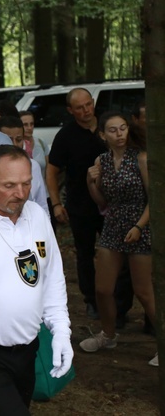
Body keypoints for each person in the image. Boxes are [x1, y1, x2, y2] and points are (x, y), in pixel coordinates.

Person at [0, 145, 72, 416]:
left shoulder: (37, 216)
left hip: (27, 351)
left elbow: (52, 279)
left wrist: (61, 330)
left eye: (26, 183)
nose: (20, 194)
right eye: (9, 185)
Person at [78, 112, 157, 365]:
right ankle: (108, 335)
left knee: (144, 292)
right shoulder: (101, 160)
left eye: (122, 128)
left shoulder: (141, 159)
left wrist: (139, 226)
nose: (119, 134)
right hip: (113, 225)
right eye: (113, 130)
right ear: (103, 135)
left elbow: (153, 200)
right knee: (102, 289)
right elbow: (103, 202)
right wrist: (92, 183)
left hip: (140, 225)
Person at [46, 88, 107, 318]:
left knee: (120, 254)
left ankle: (119, 306)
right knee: (85, 254)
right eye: (79, 107)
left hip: (113, 205)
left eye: (88, 105)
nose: (86, 111)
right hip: (81, 205)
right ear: (71, 110)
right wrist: (56, 204)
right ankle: (91, 301)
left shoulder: (108, 125)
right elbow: (52, 172)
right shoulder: (66, 136)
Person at [0, 116, 49, 217]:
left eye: (18, 140)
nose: (14, 144)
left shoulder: (34, 167)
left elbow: (42, 205)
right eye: (8, 139)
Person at [19, 110, 50, 181]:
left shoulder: (41, 143)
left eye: (32, 124)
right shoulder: (16, 146)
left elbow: (48, 172)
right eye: (25, 125)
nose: (29, 128)